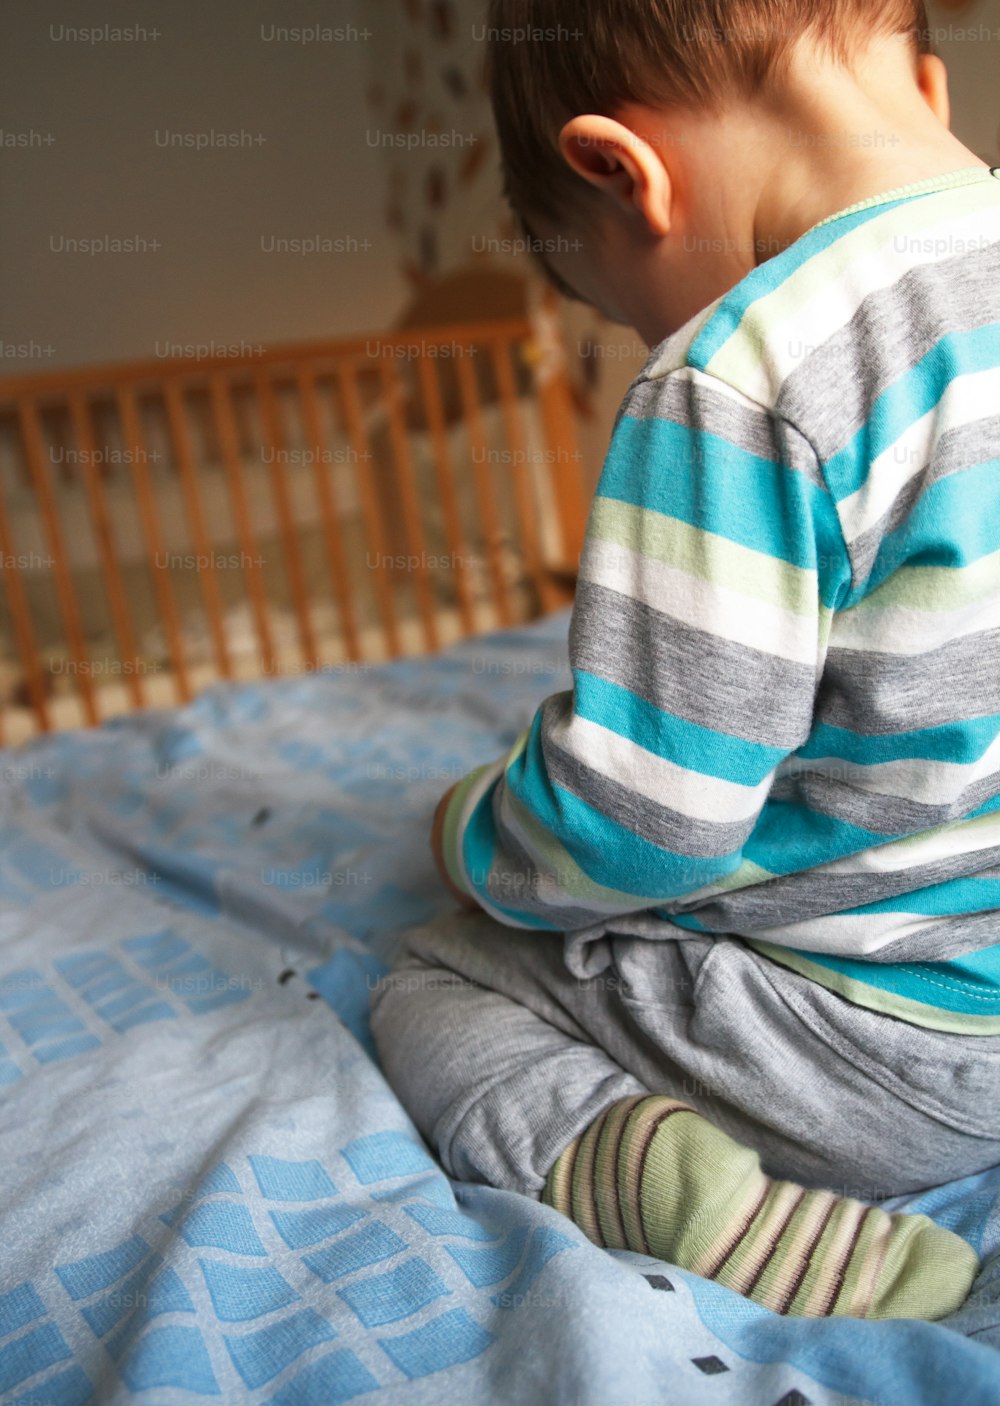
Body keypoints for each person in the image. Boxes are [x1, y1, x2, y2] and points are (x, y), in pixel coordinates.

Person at [372, 0, 1000, 1320]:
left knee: (424, 978)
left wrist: (479, 833)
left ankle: (670, 1190)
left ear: (622, 171)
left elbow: (650, 824)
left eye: (634, 307)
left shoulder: (746, 371)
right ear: (929, 87)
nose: (663, 334)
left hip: (876, 1054)